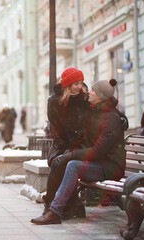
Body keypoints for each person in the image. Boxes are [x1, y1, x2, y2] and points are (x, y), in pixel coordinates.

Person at [31, 79, 128, 225]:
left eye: (93, 90)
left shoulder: (109, 118)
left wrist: (69, 155)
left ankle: (54, 211)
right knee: (64, 164)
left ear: (100, 96)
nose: (88, 91)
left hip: (110, 167)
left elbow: (98, 151)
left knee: (72, 165)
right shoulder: (97, 109)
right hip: (99, 162)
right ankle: (64, 208)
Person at [34, 67, 91, 222]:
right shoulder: (54, 102)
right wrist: (65, 148)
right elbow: (56, 129)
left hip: (82, 144)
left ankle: (51, 208)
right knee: (58, 161)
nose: (79, 87)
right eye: (76, 84)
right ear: (67, 85)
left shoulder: (86, 99)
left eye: (81, 83)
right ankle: (72, 204)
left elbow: (99, 114)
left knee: (62, 164)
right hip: (61, 143)